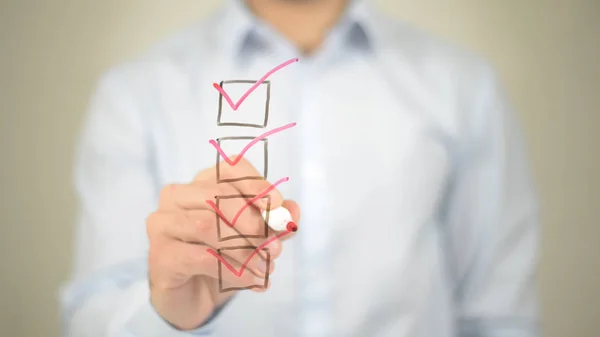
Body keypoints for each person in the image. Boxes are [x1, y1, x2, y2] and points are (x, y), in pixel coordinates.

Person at [60, 0, 540, 336]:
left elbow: (498, 316)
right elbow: (91, 317)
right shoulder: (135, 93)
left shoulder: (463, 86)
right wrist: (165, 316)